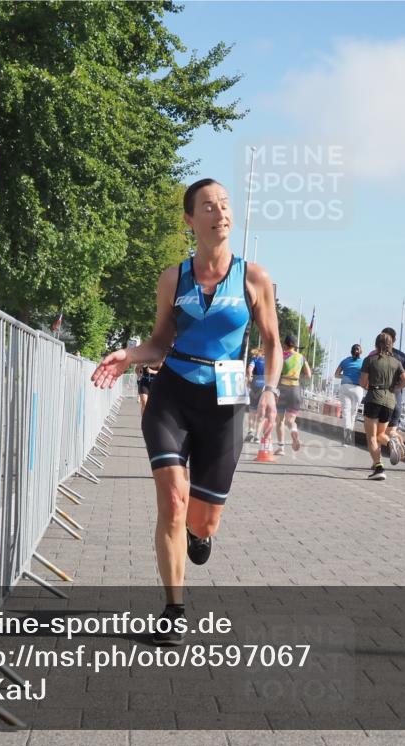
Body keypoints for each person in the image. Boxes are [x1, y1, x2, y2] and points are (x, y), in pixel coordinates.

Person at [91, 178, 282, 646]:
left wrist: (271, 391)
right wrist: (129, 355)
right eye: (208, 207)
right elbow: (159, 343)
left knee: (202, 520)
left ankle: (199, 536)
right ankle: (173, 608)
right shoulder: (173, 278)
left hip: (226, 399)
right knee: (172, 502)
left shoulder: (253, 278)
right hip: (173, 392)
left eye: (225, 205)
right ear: (190, 220)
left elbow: (272, 344)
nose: (220, 213)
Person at [359, 331, 405, 480]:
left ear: (376, 344)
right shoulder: (396, 362)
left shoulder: (370, 360)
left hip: (374, 398)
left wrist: (371, 387)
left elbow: (363, 383)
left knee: (372, 438)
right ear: (390, 345)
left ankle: (379, 468)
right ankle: (391, 441)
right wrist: (396, 387)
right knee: (382, 434)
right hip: (390, 401)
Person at [275, 333, 311, 455]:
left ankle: (281, 448)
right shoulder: (301, 357)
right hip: (295, 389)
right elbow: (308, 375)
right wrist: (296, 376)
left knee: (279, 420)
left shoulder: (281, 356)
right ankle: (294, 432)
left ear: (285, 344)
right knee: (290, 420)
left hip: (283, 389)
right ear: (295, 345)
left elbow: (275, 371)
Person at [381, 326, 405, 461]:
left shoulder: (377, 354)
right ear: (395, 339)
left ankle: (376, 462)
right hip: (397, 398)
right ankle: (397, 441)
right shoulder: (402, 357)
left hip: (382, 397)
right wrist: (398, 387)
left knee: (378, 433)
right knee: (391, 431)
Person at [335, 343, 364, 445]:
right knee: (353, 414)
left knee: (346, 413)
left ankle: (346, 437)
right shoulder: (364, 362)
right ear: (361, 352)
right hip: (358, 389)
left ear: (351, 351)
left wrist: (346, 376)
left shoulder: (345, 361)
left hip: (345, 387)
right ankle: (349, 436)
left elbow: (336, 374)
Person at [246, 347, 266, 442]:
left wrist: (249, 379)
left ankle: (250, 431)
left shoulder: (255, 359)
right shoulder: (268, 360)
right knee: (261, 412)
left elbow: (249, 370)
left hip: (255, 384)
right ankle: (257, 436)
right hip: (264, 386)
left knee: (252, 410)